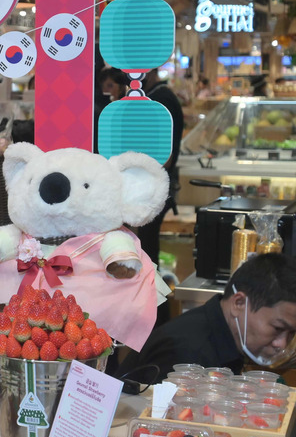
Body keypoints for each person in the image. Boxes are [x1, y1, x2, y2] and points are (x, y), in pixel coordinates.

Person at [114, 254, 296, 384]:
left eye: (292, 333)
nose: (281, 344)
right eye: (277, 328)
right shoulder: (188, 356)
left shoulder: (227, 338)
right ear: (239, 303)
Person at [137, 68, 184, 326]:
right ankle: (156, 317)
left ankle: (156, 318)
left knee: (148, 258)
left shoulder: (161, 99)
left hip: (153, 190)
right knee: (148, 255)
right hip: (152, 189)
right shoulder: (159, 96)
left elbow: (163, 154)